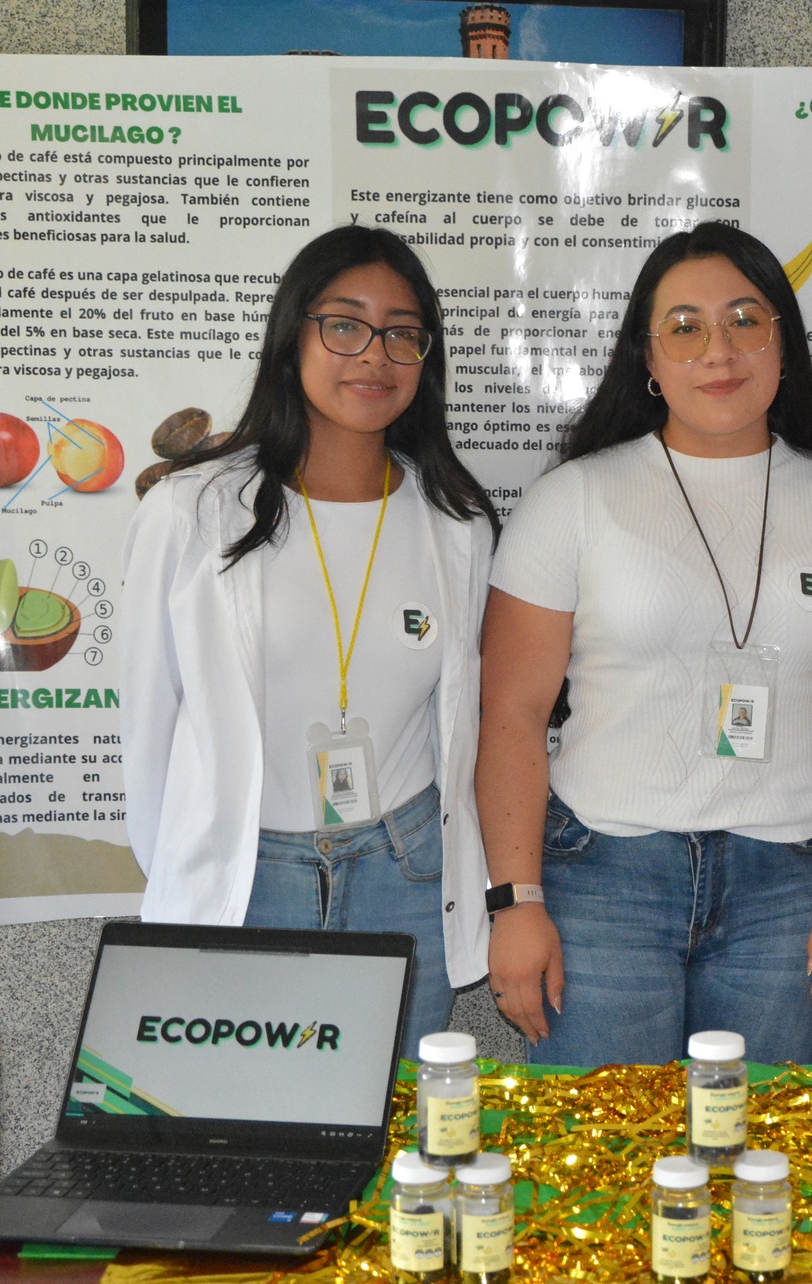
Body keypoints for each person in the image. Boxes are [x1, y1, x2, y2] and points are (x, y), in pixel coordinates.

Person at [477, 222, 812, 1066]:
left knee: (755, 1168)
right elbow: (512, 714)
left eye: (747, 319)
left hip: (792, 886)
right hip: (603, 877)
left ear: (785, 344)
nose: (719, 349)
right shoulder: (575, 499)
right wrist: (516, 902)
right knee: (600, 1167)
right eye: (686, 326)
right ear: (649, 358)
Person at [122, 225, 497, 1060]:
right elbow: (147, 732)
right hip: (249, 878)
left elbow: (461, 727)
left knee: (393, 1142)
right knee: (249, 1149)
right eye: (345, 324)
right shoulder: (194, 510)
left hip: (407, 874)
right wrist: (195, 865)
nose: (375, 355)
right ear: (293, 336)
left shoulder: (454, 523)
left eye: (403, 332)